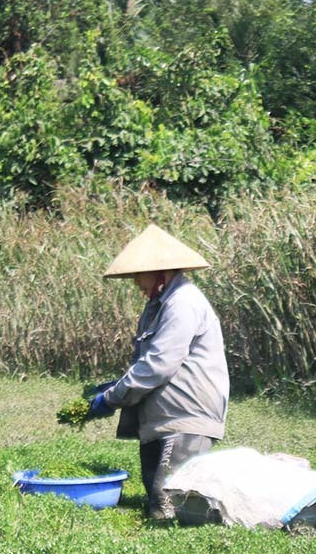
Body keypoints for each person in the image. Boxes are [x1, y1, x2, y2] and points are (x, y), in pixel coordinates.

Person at [87, 223, 229, 520]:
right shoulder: (159, 305)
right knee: (156, 495)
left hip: (187, 418)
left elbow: (159, 365)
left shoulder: (183, 303)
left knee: (168, 506)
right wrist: (116, 385)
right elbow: (151, 360)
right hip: (162, 420)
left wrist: (111, 399)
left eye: (139, 274)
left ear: (160, 272)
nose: (136, 282)